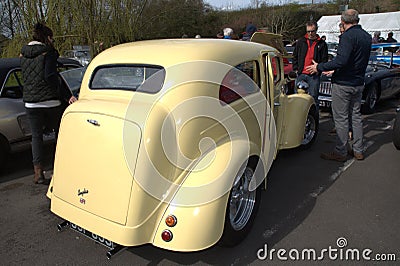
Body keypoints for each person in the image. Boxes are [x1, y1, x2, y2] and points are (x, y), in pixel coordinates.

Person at [306, 9, 371, 162]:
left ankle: (340, 151)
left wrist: (320, 67)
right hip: (358, 82)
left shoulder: (348, 37)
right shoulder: (366, 37)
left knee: (341, 119)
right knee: (355, 117)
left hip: (344, 83)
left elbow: (341, 60)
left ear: (343, 21)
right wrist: (333, 69)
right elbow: (353, 61)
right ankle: (358, 150)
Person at [20, 22, 77, 184]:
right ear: (47, 38)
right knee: (59, 133)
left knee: (36, 137)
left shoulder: (23, 55)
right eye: (51, 38)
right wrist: (67, 96)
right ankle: (60, 168)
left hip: (30, 103)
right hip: (50, 102)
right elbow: (51, 76)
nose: (53, 41)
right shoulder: (48, 53)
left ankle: (38, 172)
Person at [292, 21, 328, 110]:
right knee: (297, 98)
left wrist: (318, 69)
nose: (310, 33)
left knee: (313, 98)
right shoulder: (301, 42)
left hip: (314, 75)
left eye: (312, 31)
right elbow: (295, 56)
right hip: (301, 73)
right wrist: (296, 69)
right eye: (308, 31)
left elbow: (324, 60)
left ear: (316, 30)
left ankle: (313, 119)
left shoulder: (322, 44)